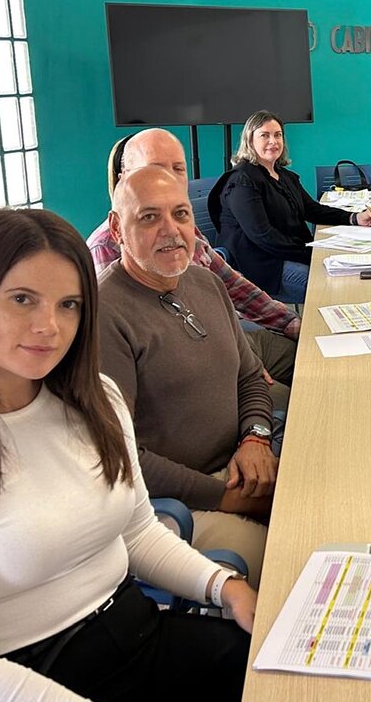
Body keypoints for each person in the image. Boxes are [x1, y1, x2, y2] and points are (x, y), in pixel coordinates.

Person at [0, 208, 255, 701]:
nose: (49, 326)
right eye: (23, 299)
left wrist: (225, 587)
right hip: (25, 677)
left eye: (69, 305)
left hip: (134, 633)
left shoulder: (96, 399)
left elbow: (139, 532)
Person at [99, 166, 278, 584]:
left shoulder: (203, 282)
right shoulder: (105, 314)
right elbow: (124, 458)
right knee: (282, 563)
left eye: (180, 214)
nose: (171, 231)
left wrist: (255, 437)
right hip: (173, 502)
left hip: (239, 463)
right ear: (116, 228)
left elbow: (250, 377)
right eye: (149, 217)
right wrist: (228, 499)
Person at [86, 129, 298, 413]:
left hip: (232, 340)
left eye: (178, 168)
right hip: (201, 372)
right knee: (300, 406)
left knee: (317, 359)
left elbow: (232, 285)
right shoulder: (105, 250)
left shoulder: (184, 230)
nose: (170, 179)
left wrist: (288, 321)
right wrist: (240, 374)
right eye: (157, 168)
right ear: (125, 175)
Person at [210, 110, 371, 303]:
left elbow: (312, 209)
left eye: (278, 135)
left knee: (350, 278)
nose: (273, 141)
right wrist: (311, 253)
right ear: (250, 141)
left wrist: (355, 217)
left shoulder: (283, 176)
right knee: (334, 289)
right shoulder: (242, 181)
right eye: (264, 135)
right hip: (262, 266)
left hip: (286, 254)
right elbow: (263, 236)